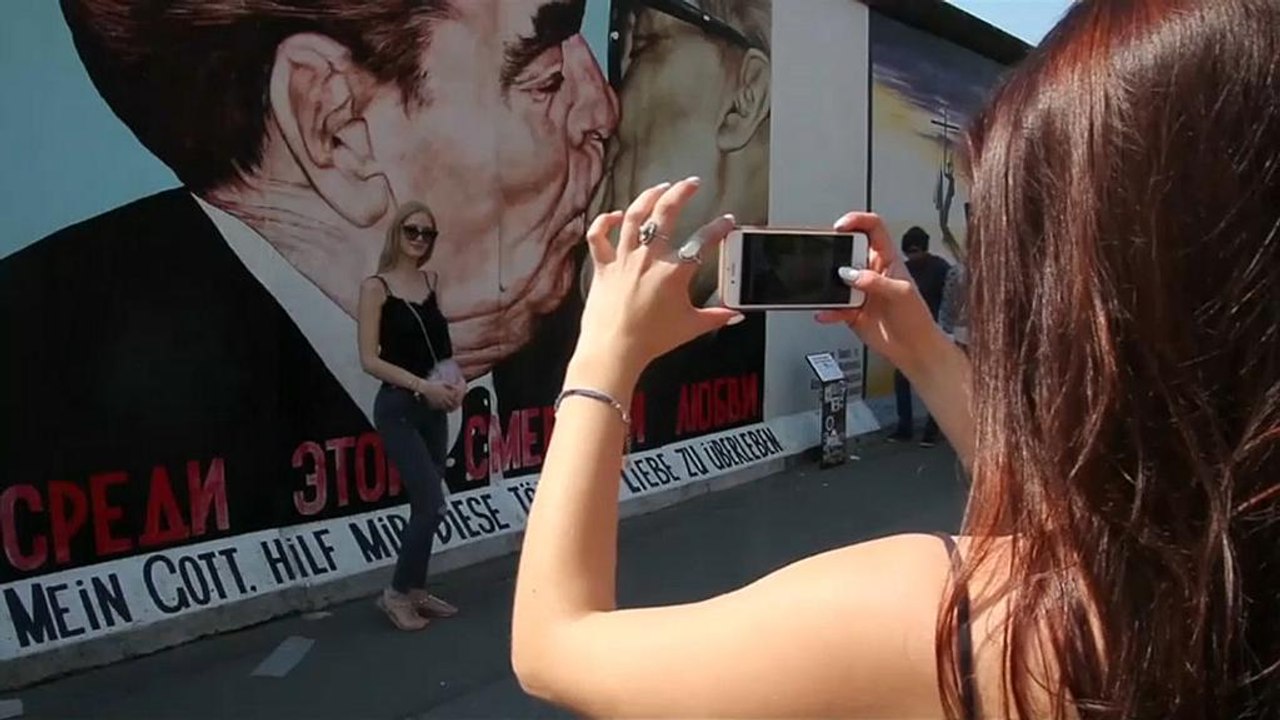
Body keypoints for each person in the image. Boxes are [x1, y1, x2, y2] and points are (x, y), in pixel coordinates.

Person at [510, 1, 1280, 717]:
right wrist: (923, 350)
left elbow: (555, 647)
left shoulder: (947, 622)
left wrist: (601, 356)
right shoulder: (1214, 583)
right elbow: (1094, 512)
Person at [0, 0, 617, 580]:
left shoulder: (578, 323)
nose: (603, 111)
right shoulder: (48, 377)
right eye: (545, 80)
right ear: (335, 127)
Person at [357, 203, 462, 631]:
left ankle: (416, 589)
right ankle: (396, 594)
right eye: (412, 230)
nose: (419, 239)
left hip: (434, 408)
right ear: (396, 233)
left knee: (428, 505)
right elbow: (369, 360)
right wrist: (422, 386)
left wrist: (455, 384)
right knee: (431, 503)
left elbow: (442, 350)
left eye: (427, 234)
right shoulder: (375, 288)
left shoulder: (432, 282)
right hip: (399, 407)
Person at [890, 226, 951, 447]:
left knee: (929, 383)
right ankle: (913, 428)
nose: (912, 256)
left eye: (914, 251)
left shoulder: (938, 269)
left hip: (931, 333)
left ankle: (928, 430)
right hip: (915, 333)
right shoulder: (937, 268)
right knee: (908, 381)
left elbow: (949, 301)